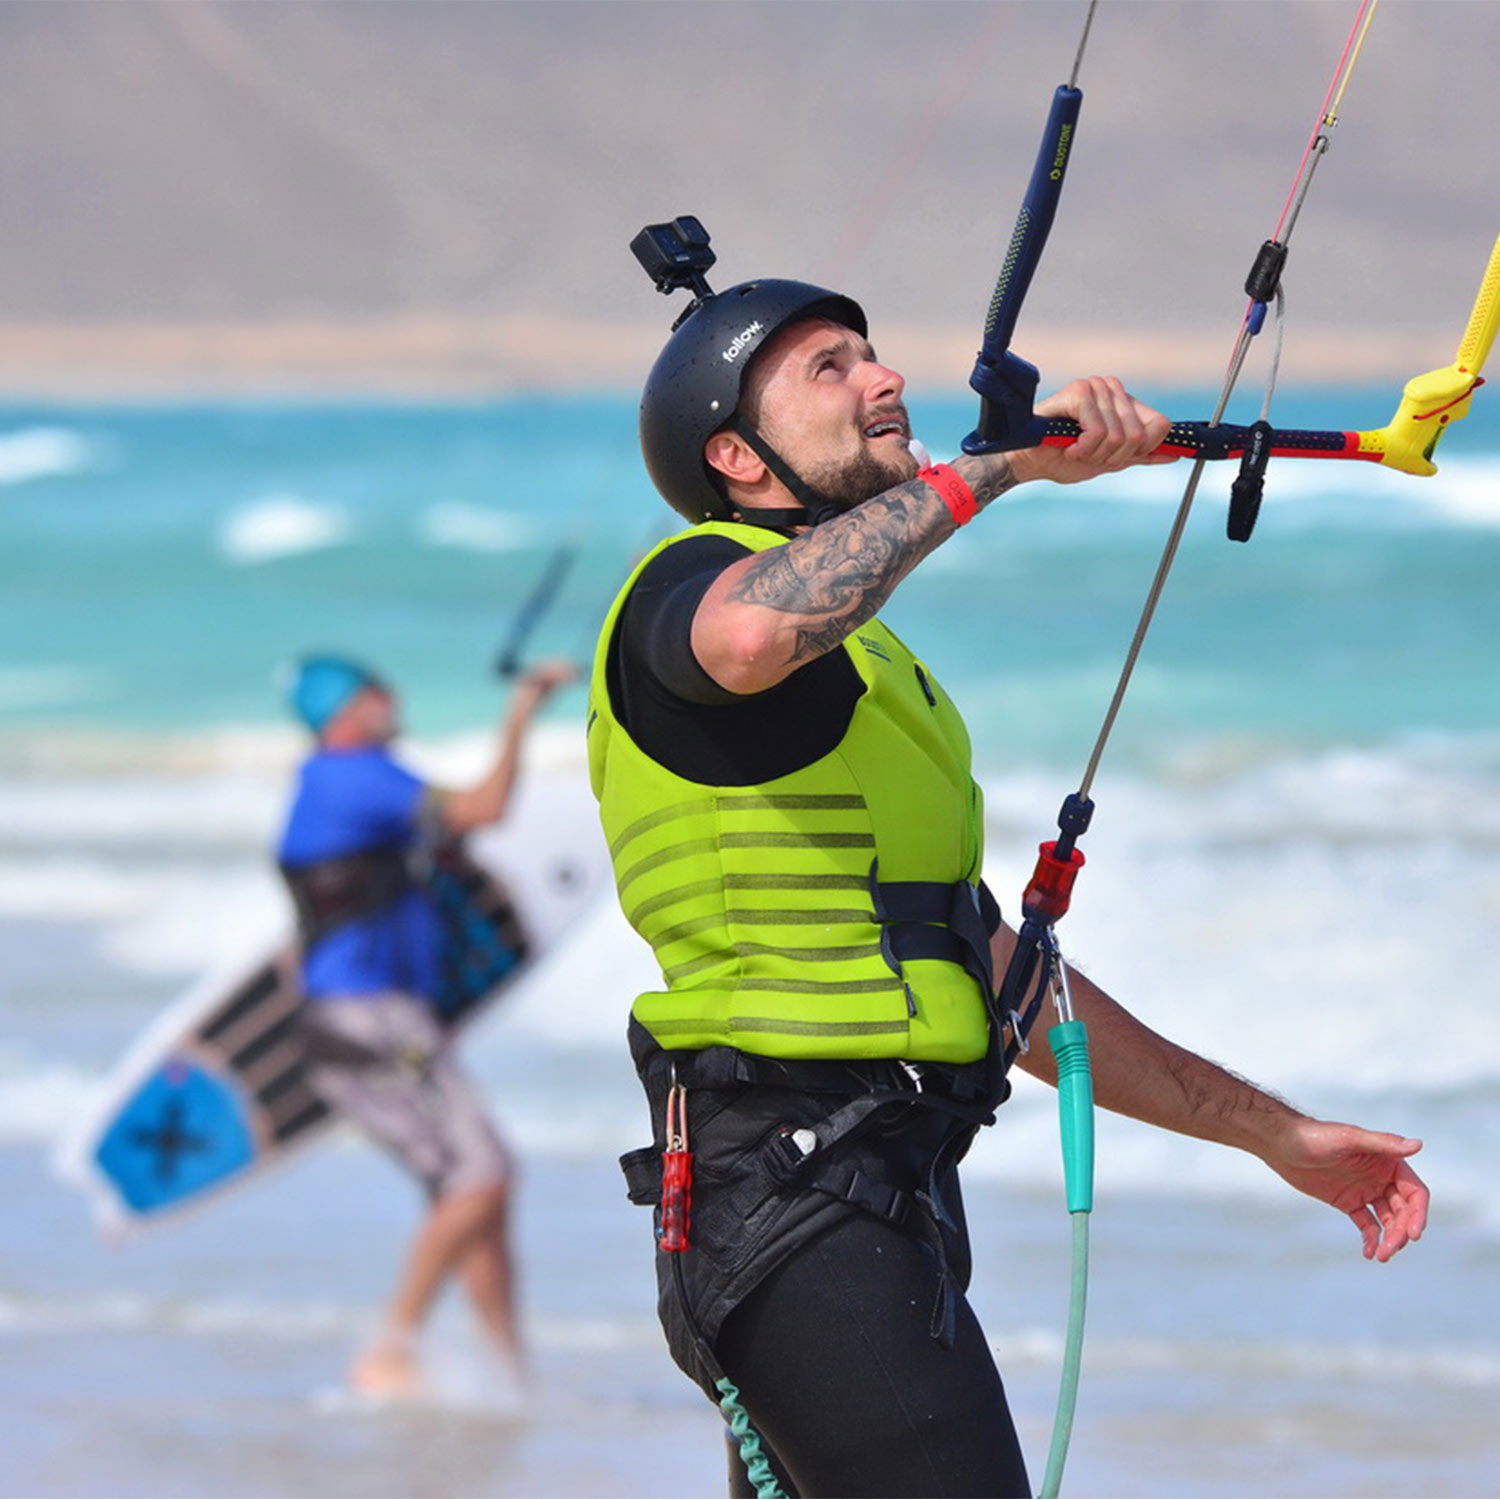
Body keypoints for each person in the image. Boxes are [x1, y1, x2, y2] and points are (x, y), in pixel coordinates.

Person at [585, 267, 1430, 1496]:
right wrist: (1009, 467)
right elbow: (752, 634)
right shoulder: (681, 594)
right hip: (787, 1196)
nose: (886, 379)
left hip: (867, 1190)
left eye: (872, 353)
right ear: (737, 457)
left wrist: (1273, 1135)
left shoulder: (868, 677)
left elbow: (1008, 985)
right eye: (831, 369)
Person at [277, 652, 574, 1397]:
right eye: (378, 689)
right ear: (348, 710)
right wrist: (522, 712)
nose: (393, 697)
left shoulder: (325, 786)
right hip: (372, 1022)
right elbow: (484, 808)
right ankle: (390, 1346)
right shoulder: (357, 777)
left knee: (475, 1199)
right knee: (486, 1177)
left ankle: (512, 1381)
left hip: (364, 1023)